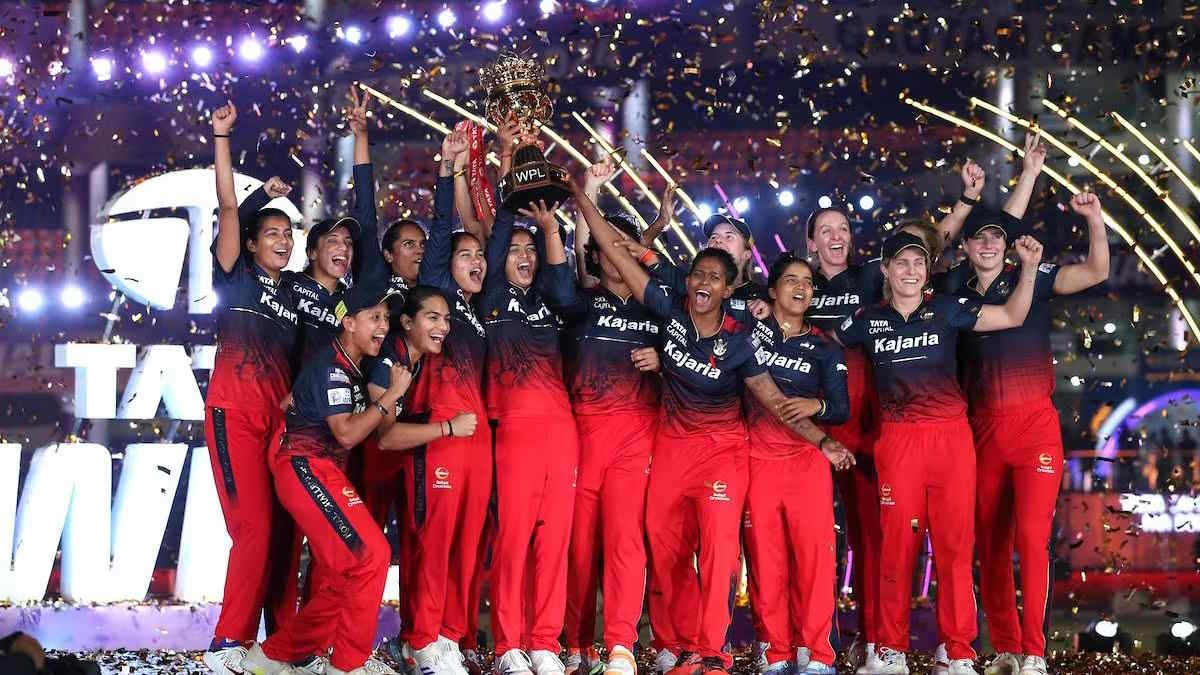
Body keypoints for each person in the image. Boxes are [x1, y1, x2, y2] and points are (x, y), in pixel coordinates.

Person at [576, 182, 851, 675]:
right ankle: (684, 645)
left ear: (728, 289)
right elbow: (616, 252)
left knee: (721, 556)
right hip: (671, 451)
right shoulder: (669, 313)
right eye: (699, 273)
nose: (705, 281)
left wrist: (824, 440)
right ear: (688, 283)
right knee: (665, 551)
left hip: (724, 453)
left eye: (716, 277)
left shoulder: (741, 342)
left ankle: (714, 652)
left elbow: (775, 400)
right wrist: (581, 197)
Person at [801, 159, 986, 671]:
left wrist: (968, 200)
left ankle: (878, 641)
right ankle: (808, 643)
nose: (836, 236)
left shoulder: (871, 277)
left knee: (878, 538)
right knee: (817, 537)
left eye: (843, 227)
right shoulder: (799, 285)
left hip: (877, 423)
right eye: (825, 230)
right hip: (816, 422)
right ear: (811, 243)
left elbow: (930, 243)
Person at [834, 230, 1044, 675]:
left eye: (918, 263)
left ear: (928, 271)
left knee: (954, 550)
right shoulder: (865, 321)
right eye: (901, 262)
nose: (911, 271)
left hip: (950, 439)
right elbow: (817, 336)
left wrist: (1028, 269)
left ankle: (959, 652)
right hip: (898, 441)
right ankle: (890, 651)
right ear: (886, 269)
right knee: (896, 550)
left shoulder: (947, 309)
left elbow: (1012, 314)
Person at [952, 139, 1109, 675]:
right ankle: (1007, 648)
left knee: (1031, 540)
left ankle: (1035, 652)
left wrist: (1094, 220)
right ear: (966, 247)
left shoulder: (1035, 277)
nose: (989, 244)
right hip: (981, 431)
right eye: (980, 237)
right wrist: (1023, 176)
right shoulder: (952, 290)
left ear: (1008, 244)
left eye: (998, 237)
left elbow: (1096, 272)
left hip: (1035, 428)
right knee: (991, 546)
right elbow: (947, 239)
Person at [239, 273, 408, 675]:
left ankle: (273, 656)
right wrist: (392, 395)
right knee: (372, 556)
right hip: (306, 467)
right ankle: (347, 665)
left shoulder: (347, 367)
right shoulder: (334, 368)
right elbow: (346, 433)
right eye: (374, 317)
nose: (383, 326)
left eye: (386, 318)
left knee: (347, 573)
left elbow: (289, 402)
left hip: (317, 468)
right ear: (348, 322)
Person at [388, 132, 495, 675]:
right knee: (435, 541)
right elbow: (437, 236)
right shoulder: (438, 298)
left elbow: (498, 235)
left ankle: (450, 636)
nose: (476, 261)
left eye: (480, 255)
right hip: (441, 435)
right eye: (464, 255)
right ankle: (423, 637)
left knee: (468, 545)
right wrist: (449, 170)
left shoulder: (477, 312)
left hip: (479, 441)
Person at [203, 99, 303, 675]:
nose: (283, 241)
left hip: (278, 427)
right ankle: (228, 643)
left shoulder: (294, 294)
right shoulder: (235, 276)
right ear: (252, 241)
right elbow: (226, 208)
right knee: (255, 530)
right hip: (234, 416)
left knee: (284, 534)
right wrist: (223, 139)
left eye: (288, 234)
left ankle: (282, 647)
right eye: (272, 233)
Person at [560, 161, 666, 675]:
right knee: (578, 547)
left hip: (636, 438)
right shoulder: (580, 303)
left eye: (624, 246)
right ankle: (576, 644)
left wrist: (664, 361)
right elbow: (583, 248)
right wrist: (592, 191)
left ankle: (621, 643)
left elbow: (695, 353)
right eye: (606, 247)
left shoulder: (658, 310)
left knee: (625, 541)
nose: (615, 253)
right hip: (582, 436)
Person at [481, 183, 579, 675]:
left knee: (554, 541)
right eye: (515, 250)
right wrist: (510, 194)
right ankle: (508, 644)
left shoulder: (551, 300)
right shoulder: (491, 296)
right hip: (514, 430)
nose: (523, 256)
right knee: (514, 539)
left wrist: (549, 229)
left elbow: (565, 286)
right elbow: (498, 237)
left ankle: (544, 641)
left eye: (530, 251)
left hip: (562, 430)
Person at [742, 253, 853, 675]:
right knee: (766, 562)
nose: (801, 287)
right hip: (757, 460)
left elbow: (840, 408)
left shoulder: (825, 347)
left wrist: (816, 404)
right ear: (772, 291)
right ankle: (776, 652)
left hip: (807, 462)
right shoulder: (748, 335)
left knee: (815, 561)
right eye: (791, 280)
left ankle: (818, 653)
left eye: (807, 281)